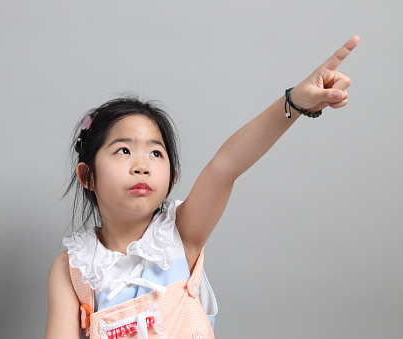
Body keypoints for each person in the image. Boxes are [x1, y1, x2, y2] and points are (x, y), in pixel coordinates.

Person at [45, 36, 360, 339]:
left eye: (156, 153)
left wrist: (292, 103)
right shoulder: (73, 268)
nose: (141, 165)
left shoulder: (181, 234)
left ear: (172, 176)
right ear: (88, 176)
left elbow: (225, 167)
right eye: (123, 150)